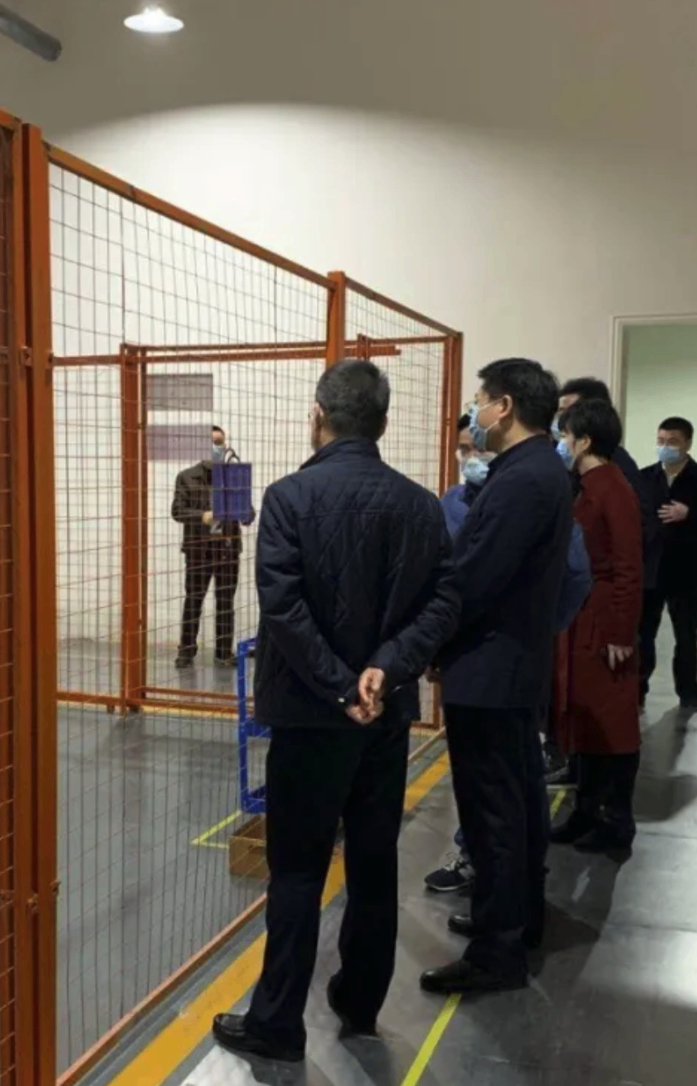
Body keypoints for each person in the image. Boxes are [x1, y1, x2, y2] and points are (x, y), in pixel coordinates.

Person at [211, 361, 460, 1063]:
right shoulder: (419, 505)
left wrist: (339, 686)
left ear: (318, 415)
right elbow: (444, 601)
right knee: (374, 862)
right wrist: (385, 669)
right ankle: (359, 1003)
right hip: (385, 717)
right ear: (382, 422)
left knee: (297, 870)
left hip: (310, 717)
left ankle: (277, 1023)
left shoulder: (289, 498)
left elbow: (283, 607)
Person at [422, 358, 574, 995]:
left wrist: (426, 640)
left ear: (504, 405)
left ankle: (497, 952)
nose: (474, 412)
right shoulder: (534, 471)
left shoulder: (522, 479)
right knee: (518, 802)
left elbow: (474, 578)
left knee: (493, 814)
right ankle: (515, 918)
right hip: (508, 664)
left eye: (480, 399)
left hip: (491, 669)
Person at [425, 416, 594, 894]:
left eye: (477, 448)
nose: (470, 458)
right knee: (482, 781)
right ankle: (485, 866)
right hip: (466, 660)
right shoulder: (451, 504)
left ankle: (506, 893)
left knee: (505, 783)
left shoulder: (527, 494)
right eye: (463, 449)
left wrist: (542, 626)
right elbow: (437, 581)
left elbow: (576, 573)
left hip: (507, 661)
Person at [549, 398, 644, 855]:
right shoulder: (587, 484)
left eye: (565, 436)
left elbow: (628, 565)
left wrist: (620, 632)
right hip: (582, 615)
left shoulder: (612, 488)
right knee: (586, 720)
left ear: (585, 441)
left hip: (603, 619)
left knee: (612, 725)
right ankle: (586, 811)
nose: (561, 443)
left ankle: (615, 820)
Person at [640, 417, 697, 712]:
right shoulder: (644, 478)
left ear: (688, 444)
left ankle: (689, 693)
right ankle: (636, 691)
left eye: (673, 442)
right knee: (643, 635)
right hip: (649, 570)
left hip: (686, 571)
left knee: (686, 636)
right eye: (661, 441)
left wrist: (690, 514)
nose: (665, 447)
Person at [559, 377, 662, 593]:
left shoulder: (613, 477)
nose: (561, 418)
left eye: (569, 412)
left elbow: (627, 558)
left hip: (603, 593)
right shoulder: (583, 474)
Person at [171, 426, 242, 669]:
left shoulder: (234, 476)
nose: (216, 449)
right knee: (194, 600)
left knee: (225, 602)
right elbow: (177, 511)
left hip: (228, 550)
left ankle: (224, 653)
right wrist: (202, 516)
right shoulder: (186, 477)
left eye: (220, 444)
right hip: (198, 551)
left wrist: (245, 512)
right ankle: (186, 650)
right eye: (212, 443)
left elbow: (249, 512)